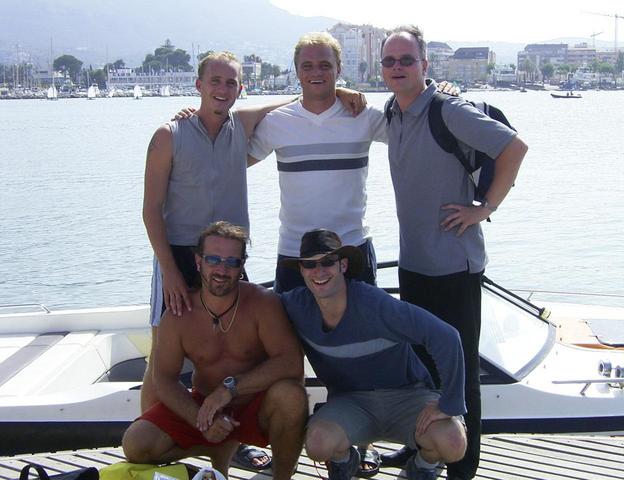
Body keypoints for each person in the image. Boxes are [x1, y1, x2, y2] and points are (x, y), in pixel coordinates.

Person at [379, 26, 528, 480]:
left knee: (460, 374)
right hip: (414, 263)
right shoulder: (392, 111)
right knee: (422, 367)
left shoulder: (448, 110)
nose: (398, 68)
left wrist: (484, 208)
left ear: (425, 64)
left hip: (453, 266)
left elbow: (514, 147)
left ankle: (463, 469)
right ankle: (419, 447)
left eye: (407, 59)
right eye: (390, 62)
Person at [142, 51, 292, 470]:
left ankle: (230, 435)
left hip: (227, 259)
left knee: (232, 349)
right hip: (178, 256)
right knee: (162, 354)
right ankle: (153, 436)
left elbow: (290, 101)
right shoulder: (168, 134)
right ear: (199, 85)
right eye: (215, 81)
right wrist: (170, 273)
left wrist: (344, 92)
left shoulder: (241, 128)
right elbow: (151, 209)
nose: (222, 89)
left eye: (231, 83)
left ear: (240, 89)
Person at [122, 221, 307, 480]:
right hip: (205, 404)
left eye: (231, 262)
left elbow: (290, 363)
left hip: (254, 403)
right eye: (213, 260)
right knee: (136, 443)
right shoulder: (178, 316)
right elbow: (163, 379)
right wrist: (200, 418)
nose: (222, 269)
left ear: (242, 265)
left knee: (292, 396)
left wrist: (229, 389)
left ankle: (282, 476)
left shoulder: (263, 304)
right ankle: (217, 446)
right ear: (199, 262)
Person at [279, 229, 467, 480]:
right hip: (351, 402)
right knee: (317, 443)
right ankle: (344, 461)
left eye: (327, 262)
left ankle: (424, 465)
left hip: (408, 396)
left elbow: (446, 337)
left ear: (343, 265)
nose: (319, 271)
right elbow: (253, 309)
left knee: (453, 443)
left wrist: (449, 403)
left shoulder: (375, 303)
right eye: (310, 265)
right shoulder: (294, 306)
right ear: (301, 271)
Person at [248, 32, 388, 294]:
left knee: (361, 334)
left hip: (352, 250)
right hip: (295, 254)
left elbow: (415, 138)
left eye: (325, 65)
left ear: (339, 69)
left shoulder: (364, 116)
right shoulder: (276, 122)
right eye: (308, 66)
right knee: (290, 334)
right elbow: (230, 163)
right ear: (297, 71)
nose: (317, 72)